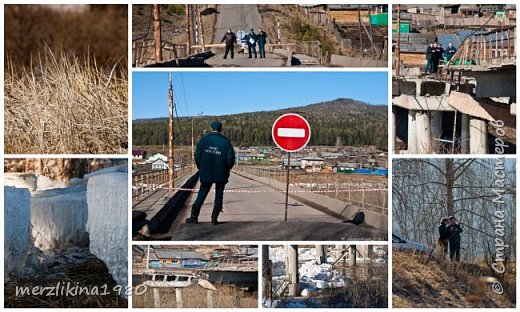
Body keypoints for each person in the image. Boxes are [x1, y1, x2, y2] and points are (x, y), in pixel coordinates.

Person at [185, 121, 236, 225]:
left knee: (202, 193)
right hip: (221, 173)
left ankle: (194, 217)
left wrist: (201, 168)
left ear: (211, 128)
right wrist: (226, 169)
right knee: (219, 194)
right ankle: (214, 218)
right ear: (220, 129)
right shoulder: (226, 142)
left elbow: (197, 156)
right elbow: (231, 159)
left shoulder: (203, 140)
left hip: (206, 172)